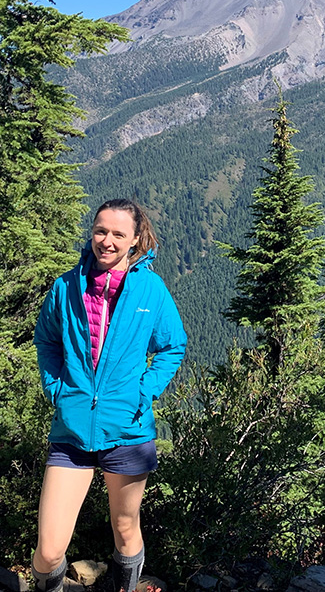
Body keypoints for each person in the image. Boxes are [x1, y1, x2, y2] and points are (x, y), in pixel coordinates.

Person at [32, 199, 187, 592]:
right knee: (49, 550)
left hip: (129, 430)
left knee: (125, 526)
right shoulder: (66, 287)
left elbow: (173, 346)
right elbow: (47, 341)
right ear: (92, 233)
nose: (107, 241)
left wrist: (145, 390)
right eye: (101, 230)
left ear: (135, 240)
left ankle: (124, 587)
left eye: (119, 234)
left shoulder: (150, 289)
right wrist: (58, 389)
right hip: (72, 430)